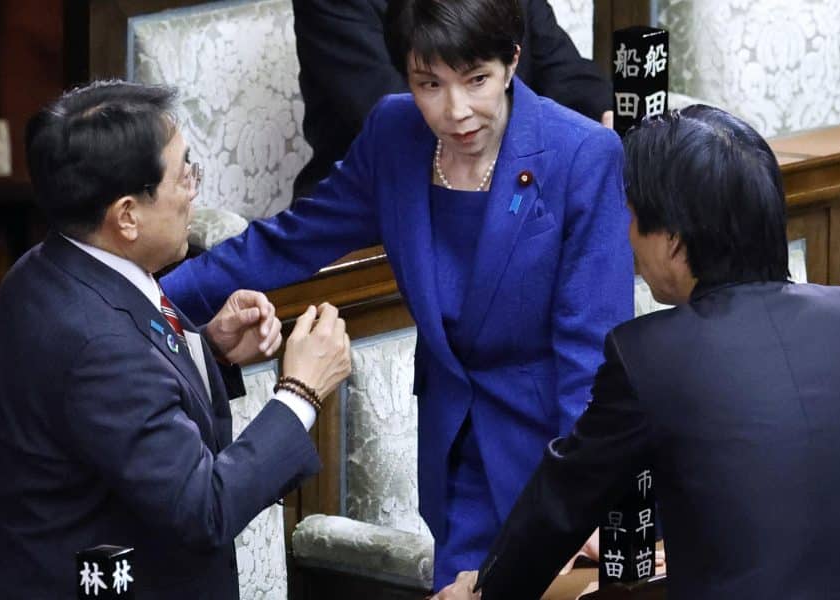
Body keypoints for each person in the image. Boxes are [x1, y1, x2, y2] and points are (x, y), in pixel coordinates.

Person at [160, 0, 633, 588]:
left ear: (512, 62)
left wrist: (580, 499)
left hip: (549, 455)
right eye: (429, 84)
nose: (456, 110)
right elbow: (290, 242)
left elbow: (591, 353)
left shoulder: (581, 155)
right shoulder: (394, 132)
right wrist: (145, 302)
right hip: (453, 451)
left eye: (477, 80)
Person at [437, 105, 840, 599]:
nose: (630, 239)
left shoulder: (650, 356)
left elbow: (562, 501)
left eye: (634, 219)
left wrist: (487, 591)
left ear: (674, 241)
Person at [0, 81, 351, 600]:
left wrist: (209, 351)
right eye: (183, 174)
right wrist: (301, 393)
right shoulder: (97, 344)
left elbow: (112, 411)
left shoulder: (47, 268)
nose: (194, 188)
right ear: (127, 215)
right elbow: (203, 509)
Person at [292, 0, 614, 198]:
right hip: (376, 202)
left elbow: (568, 73)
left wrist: (598, 126)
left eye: (476, 78)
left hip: (519, 182)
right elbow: (401, 115)